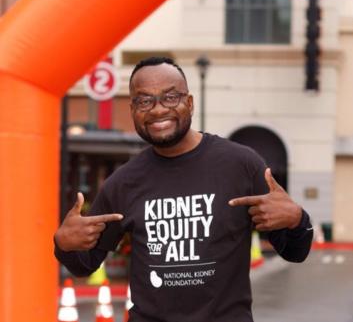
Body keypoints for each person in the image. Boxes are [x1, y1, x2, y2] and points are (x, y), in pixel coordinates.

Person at [54, 56, 313, 322]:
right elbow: (85, 265)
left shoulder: (241, 165)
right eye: (144, 100)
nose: (157, 110)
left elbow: (295, 252)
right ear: (133, 110)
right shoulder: (122, 183)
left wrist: (296, 219)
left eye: (170, 97)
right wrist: (63, 245)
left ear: (189, 103)